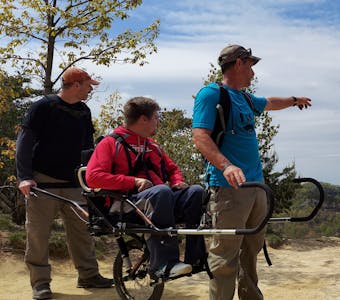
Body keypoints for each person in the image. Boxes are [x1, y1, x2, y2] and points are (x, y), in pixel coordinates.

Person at [192, 44, 312, 300]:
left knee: (252, 251)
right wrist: (226, 166)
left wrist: (293, 101)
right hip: (229, 189)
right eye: (250, 65)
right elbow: (200, 136)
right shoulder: (211, 94)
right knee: (225, 256)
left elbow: (268, 103)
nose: (253, 72)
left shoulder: (245, 98)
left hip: (256, 187)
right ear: (238, 63)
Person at [16, 67, 113, 300]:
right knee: (38, 233)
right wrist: (24, 176)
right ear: (76, 84)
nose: (90, 89)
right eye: (88, 85)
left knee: (81, 231)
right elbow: (25, 141)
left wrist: (93, 174)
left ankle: (88, 275)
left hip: (75, 181)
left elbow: (88, 148)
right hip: (43, 181)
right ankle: (40, 283)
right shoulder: (44, 106)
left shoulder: (83, 111)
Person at [85, 96, 206, 279]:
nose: (157, 122)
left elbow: (172, 169)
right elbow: (93, 177)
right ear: (143, 119)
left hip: (158, 200)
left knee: (195, 192)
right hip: (124, 205)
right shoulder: (110, 143)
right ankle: (164, 264)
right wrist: (132, 181)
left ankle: (196, 259)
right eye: (156, 118)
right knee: (161, 192)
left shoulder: (152, 146)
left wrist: (176, 181)